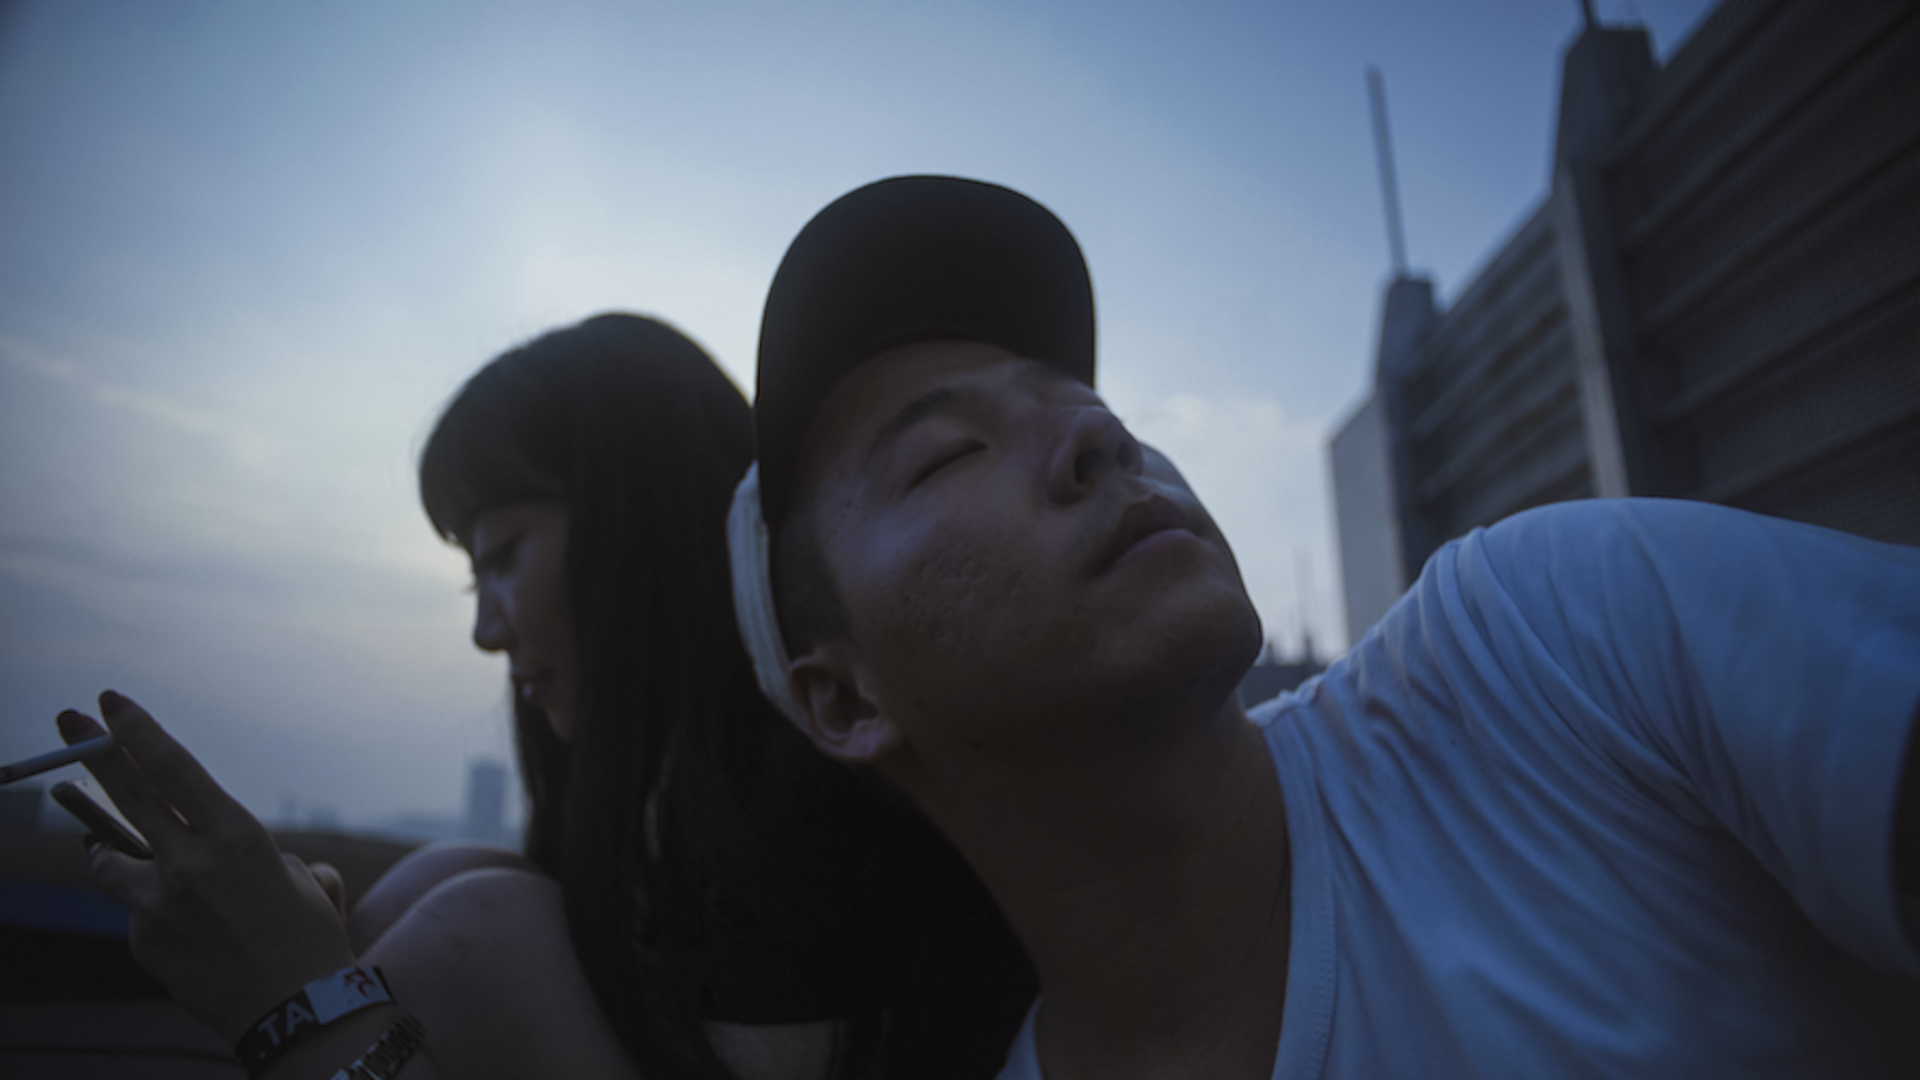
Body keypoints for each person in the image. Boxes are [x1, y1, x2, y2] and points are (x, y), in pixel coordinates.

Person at [724, 176, 1920, 1079]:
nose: (1100, 439)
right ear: (845, 700)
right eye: (949, 454)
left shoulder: (1541, 653)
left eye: (1081, 400)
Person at [56, 313, 1032, 1080]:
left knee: (478, 931)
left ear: (633, 517)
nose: (488, 629)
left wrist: (287, 997)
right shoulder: (669, 806)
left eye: (506, 557)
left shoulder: (814, 799)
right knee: (449, 884)